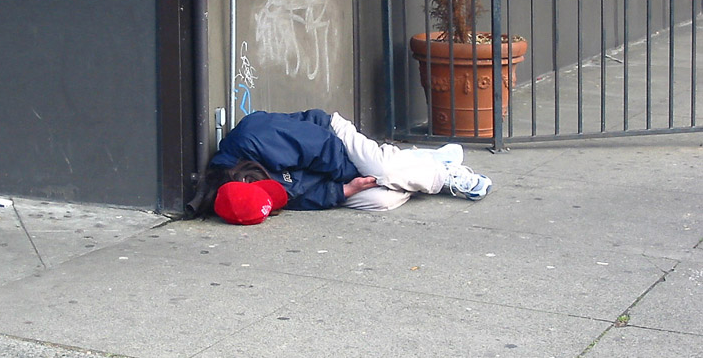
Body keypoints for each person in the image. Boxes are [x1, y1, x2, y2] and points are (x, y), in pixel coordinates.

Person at [186, 109, 492, 223]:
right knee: (380, 199)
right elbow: (302, 197)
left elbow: (321, 147)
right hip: (329, 176)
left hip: (333, 137)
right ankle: (423, 161)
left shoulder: (257, 138)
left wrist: (355, 175)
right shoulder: (231, 193)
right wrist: (344, 190)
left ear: (251, 176)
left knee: (381, 170)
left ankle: (446, 175)